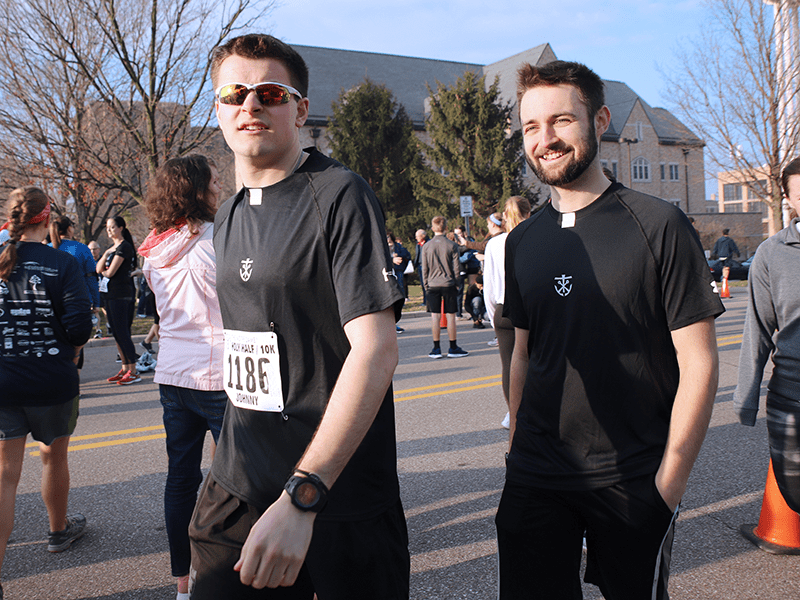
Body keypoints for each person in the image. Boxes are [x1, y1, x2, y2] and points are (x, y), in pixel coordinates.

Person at [187, 34, 409, 599]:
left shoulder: (339, 195)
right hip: (237, 485)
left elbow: (376, 349)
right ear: (217, 108)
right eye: (234, 93)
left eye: (270, 93)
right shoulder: (229, 213)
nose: (250, 105)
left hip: (333, 494)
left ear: (301, 109)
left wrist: (304, 494)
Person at [495, 60, 724, 600]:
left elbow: (699, 363)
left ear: (599, 121)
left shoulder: (658, 224)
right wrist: (514, 455)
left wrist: (668, 487)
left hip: (632, 477)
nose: (545, 139)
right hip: (535, 476)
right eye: (531, 127)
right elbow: (522, 355)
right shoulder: (521, 242)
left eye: (561, 121)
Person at [139, 154, 226, 600]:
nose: (221, 185)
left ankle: (181, 583)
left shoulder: (155, 246)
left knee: (180, 479)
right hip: (218, 373)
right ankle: (240, 570)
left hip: (173, 373)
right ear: (196, 191)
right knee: (239, 477)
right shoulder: (216, 240)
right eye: (214, 181)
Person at [0, 188, 93, 599]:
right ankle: (58, 531)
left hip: (2, 380)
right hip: (52, 380)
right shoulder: (63, 262)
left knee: (4, 477)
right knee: (54, 455)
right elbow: (78, 329)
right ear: (47, 216)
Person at [734, 156, 800, 514]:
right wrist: (746, 398)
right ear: (788, 199)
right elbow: (757, 327)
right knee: (795, 495)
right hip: (791, 399)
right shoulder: (771, 254)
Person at [483, 200, 531, 430]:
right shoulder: (534, 236)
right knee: (535, 361)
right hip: (530, 306)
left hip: (503, 307)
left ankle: (512, 412)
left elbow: (489, 285)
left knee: (508, 363)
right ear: (528, 212)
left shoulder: (495, 243)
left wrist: (493, 314)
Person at [50, 216, 100, 372]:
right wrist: (96, 303)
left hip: (53, 303)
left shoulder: (48, 248)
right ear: (70, 229)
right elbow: (91, 278)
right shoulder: (81, 249)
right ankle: (75, 381)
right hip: (78, 302)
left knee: (55, 341)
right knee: (76, 340)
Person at [97, 217, 140, 385]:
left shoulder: (125, 247)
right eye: (107, 228)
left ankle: (133, 370)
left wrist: (105, 270)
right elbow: (98, 268)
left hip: (121, 295)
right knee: (116, 333)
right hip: (109, 295)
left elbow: (110, 272)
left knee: (123, 332)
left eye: (113, 227)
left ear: (121, 228)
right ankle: (124, 368)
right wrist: (107, 254)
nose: (109, 230)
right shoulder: (112, 249)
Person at [421, 216, 468, 359]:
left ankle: (436, 348)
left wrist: (426, 284)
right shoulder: (451, 245)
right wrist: (457, 283)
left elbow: (425, 268)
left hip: (433, 283)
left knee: (435, 316)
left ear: (432, 228)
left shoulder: (427, 246)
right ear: (445, 227)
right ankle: (453, 347)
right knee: (451, 316)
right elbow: (456, 268)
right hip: (448, 283)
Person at [387, 231, 411, 334]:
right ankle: (392, 324)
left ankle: (395, 321)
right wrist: (392, 259)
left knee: (400, 289)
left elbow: (407, 255)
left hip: (398, 270)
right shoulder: (382, 246)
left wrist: (399, 256)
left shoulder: (398, 246)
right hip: (389, 271)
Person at [412, 229, 429, 304]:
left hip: (427, 266)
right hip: (420, 266)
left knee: (428, 284)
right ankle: (425, 301)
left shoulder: (429, 243)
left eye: (417, 236)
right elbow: (417, 256)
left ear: (423, 236)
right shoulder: (418, 244)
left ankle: (429, 300)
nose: (416, 238)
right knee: (423, 284)